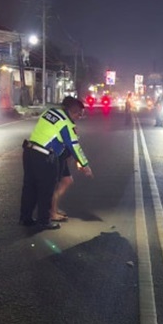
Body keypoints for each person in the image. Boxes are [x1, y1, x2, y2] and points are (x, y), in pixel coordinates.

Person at [20, 96, 93, 230]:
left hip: (29, 152)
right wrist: (85, 165)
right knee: (45, 190)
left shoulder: (50, 112)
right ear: (74, 112)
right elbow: (74, 145)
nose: (79, 117)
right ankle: (44, 221)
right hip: (44, 157)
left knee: (29, 188)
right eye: (79, 114)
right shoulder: (66, 123)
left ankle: (26, 218)